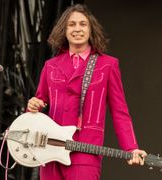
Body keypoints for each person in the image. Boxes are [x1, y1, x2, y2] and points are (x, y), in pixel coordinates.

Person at [26, 4, 147, 180]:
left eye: (83, 24)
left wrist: (131, 147)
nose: (77, 29)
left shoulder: (107, 65)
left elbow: (119, 111)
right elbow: (37, 104)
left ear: (91, 29)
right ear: (64, 30)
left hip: (85, 153)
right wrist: (33, 105)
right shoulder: (50, 66)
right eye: (71, 24)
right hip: (50, 152)